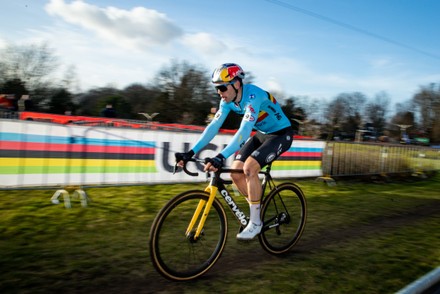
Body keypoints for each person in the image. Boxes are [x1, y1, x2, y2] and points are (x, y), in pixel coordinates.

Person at [175, 63, 294, 240]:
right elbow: (213, 126)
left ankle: (255, 223)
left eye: (222, 87)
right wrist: (191, 152)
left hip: (281, 134)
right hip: (262, 134)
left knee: (249, 168)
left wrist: (221, 156)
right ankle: (256, 208)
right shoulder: (227, 101)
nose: (219, 93)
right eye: (217, 89)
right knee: (236, 174)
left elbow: (244, 131)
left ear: (237, 84)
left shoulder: (254, 96)